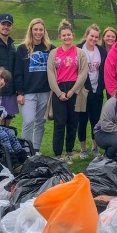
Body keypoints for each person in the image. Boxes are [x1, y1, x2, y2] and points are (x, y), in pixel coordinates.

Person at [47, 19, 88, 163]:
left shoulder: (80, 52)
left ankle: (69, 151)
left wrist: (72, 91)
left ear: (73, 35)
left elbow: (83, 73)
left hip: (74, 90)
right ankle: (57, 154)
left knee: (72, 123)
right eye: (63, 35)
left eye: (69, 35)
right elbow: (51, 73)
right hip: (59, 89)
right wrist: (59, 92)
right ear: (60, 37)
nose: (66, 37)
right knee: (59, 123)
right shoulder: (54, 53)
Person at [14, 18, 55, 155]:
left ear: (44, 31)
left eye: (41, 30)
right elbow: (18, 72)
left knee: (40, 122)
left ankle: (36, 149)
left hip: (45, 91)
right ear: (31, 30)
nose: (38, 32)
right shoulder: (22, 49)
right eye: (35, 29)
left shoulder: (50, 48)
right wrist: (19, 92)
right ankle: (26, 149)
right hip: (28, 92)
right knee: (28, 121)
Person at [76, 24, 108, 159]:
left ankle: (95, 147)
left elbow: (103, 71)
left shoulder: (101, 50)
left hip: (97, 91)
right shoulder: (78, 49)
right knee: (82, 120)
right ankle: (83, 149)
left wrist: (100, 88)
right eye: (91, 36)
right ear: (86, 35)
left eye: (96, 37)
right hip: (83, 91)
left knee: (95, 120)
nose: (94, 39)